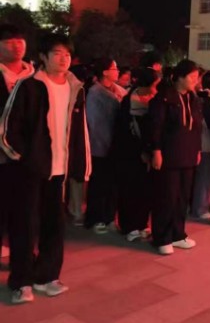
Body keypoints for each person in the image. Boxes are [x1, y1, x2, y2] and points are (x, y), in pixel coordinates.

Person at [1, 33, 91, 304]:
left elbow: (79, 130)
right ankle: (21, 281)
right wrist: (23, 158)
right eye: (57, 53)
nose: (63, 59)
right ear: (43, 57)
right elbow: (8, 128)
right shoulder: (29, 86)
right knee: (25, 226)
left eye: (67, 54)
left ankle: (47, 276)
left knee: (54, 224)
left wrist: (80, 163)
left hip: (59, 169)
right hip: (30, 170)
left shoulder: (75, 87)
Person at [147, 60, 202, 255]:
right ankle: (161, 237)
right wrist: (156, 151)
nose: (195, 81)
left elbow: (197, 128)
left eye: (197, 77)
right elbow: (155, 127)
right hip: (169, 156)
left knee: (182, 197)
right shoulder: (164, 98)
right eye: (192, 77)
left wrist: (197, 150)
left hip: (188, 154)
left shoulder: (193, 99)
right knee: (166, 197)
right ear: (180, 77)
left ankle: (178, 234)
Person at [0, 24, 34, 269]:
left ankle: (21, 259)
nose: (17, 45)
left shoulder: (35, 76)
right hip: (1, 155)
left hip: (28, 155)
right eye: (10, 40)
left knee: (24, 210)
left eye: (20, 40)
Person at [114, 67, 160, 242]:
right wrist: (139, 150)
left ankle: (142, 224)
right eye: (154, 85)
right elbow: (123, 132)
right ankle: (129, 226)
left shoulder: (155, 101)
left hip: (148, 153)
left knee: (146, 191)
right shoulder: (128, 103)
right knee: (129, 190)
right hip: (129, 154)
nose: (155, 89)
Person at [85, 58, 123, 234]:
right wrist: (106, 144)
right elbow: (95, 124)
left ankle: (109, 217)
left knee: (112, 185)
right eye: (114, 68)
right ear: (105, 72)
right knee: (99, 185)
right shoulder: (95, 93)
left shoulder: (117, 90)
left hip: (115, 146)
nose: (117, 71)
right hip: (100, 147)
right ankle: (95, 218)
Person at [190, 72, 210, 220]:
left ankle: (200, 206)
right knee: (206, 177)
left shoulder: (199, 98)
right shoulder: (206, 101)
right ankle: (201, 208)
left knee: (204, 176)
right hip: (206, 143)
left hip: (202, 143)